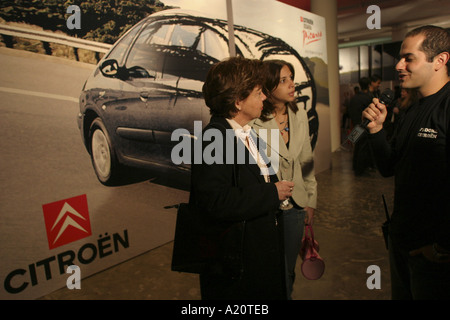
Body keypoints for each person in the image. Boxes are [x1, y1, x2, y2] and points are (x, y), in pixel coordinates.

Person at [191, 56, 294, 300]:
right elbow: (216, 202)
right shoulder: (214, 139)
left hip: (257, 255)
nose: (264, 98)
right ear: (238, 101)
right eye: (258, 92)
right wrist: (272, 193)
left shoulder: (245, 132)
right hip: (237, 268)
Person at [363, 25, 450, 299]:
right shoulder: (411, 110)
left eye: (409, 58)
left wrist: (442, 247)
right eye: (399, 58)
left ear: (440, 60)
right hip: (402, 242)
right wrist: (377, 131)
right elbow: (389, 168)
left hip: (435, 254)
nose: (399, 65)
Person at [251, 59, 317, 299]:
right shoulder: (254, 121)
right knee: (269, 269)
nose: (292, 85)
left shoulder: (298, 115)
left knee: (288, 270)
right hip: (267, 207)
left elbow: (306, 162)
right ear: (267, 88)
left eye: (292, 78)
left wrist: (311, 200)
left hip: (296, 205)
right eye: (284, 80)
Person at [348, 77, 375, 175]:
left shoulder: (354, 98)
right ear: (368, 85)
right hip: (364, 126)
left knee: (357, 147)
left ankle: (356, 167)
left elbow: (350, 111)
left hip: (356, 125)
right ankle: (360, 170)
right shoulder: (368, 98)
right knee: (362, 148)